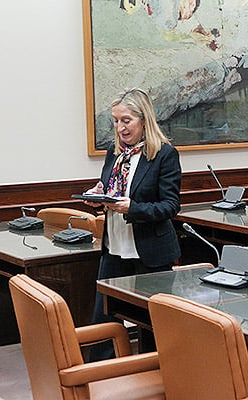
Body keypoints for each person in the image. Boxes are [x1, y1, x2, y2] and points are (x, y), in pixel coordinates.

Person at [84, 87, 182, 360]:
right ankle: (98, 375)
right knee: (103, 319)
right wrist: (98, 195)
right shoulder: (114, 153)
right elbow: (112, 189)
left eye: (126, 120)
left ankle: (156, 374)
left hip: (150, 251)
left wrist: (132, 207)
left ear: (143, 119)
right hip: (115, 247)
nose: (120, 128)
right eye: (115, 121)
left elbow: (170, 206)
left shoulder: (164, 154)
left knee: (151, 321)